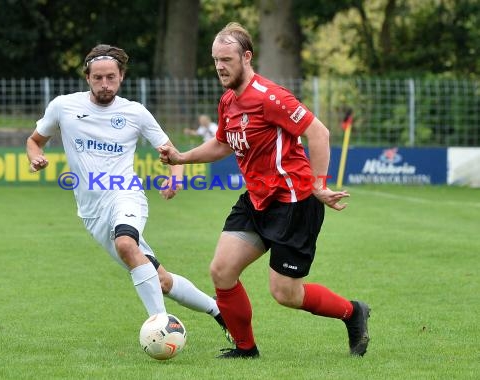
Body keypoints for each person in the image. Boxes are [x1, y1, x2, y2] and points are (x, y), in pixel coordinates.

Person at [159, 22, 370, 359]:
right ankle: (246, 349)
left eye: (226, 59)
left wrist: (319, 184)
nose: (219, 67)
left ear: (247, 57)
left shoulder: (271, 97)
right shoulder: (228, 101)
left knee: (285, 293)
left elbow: (319, 133)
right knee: (221, 270)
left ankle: (353, 312)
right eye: (215, 60)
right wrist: (182, 157)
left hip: (295, 202)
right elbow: (223, 143)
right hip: (257, 201)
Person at [26, 43, 231, 343]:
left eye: (111, 77)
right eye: (98, 78)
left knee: (125, 243)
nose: (104, 84)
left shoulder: (135, 112)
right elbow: (34, 140)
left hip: (125, 195)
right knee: (160, 279)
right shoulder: (63, 107)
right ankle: (220, 312)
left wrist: (175, 179)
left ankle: (162, 328)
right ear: (88, 78)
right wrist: (35, 157)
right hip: (92, 213)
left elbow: (170, 151)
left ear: (121, 76)